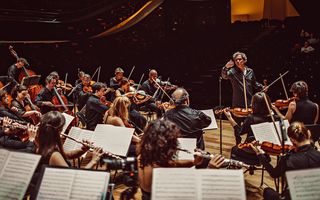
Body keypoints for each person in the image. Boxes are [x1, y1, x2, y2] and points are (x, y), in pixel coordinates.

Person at [249, 122, 320, 200]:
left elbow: (274, 173)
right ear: (309, 134)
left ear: (292, 140)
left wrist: (259, 153)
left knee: (265, 190)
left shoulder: (289, 159)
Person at [221, 51, 264, 144]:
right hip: (237, 103)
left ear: (244, 60)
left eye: (239, 59)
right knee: (236, 126)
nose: (237, 61)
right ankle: (238, 143)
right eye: (236, 60)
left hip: (249, 102)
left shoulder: (250, 71)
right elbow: (224, 76)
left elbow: (254, 83)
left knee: (251, 125)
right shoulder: (232, 72)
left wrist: (261, 87)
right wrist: (225, 67)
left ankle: (249, 144)